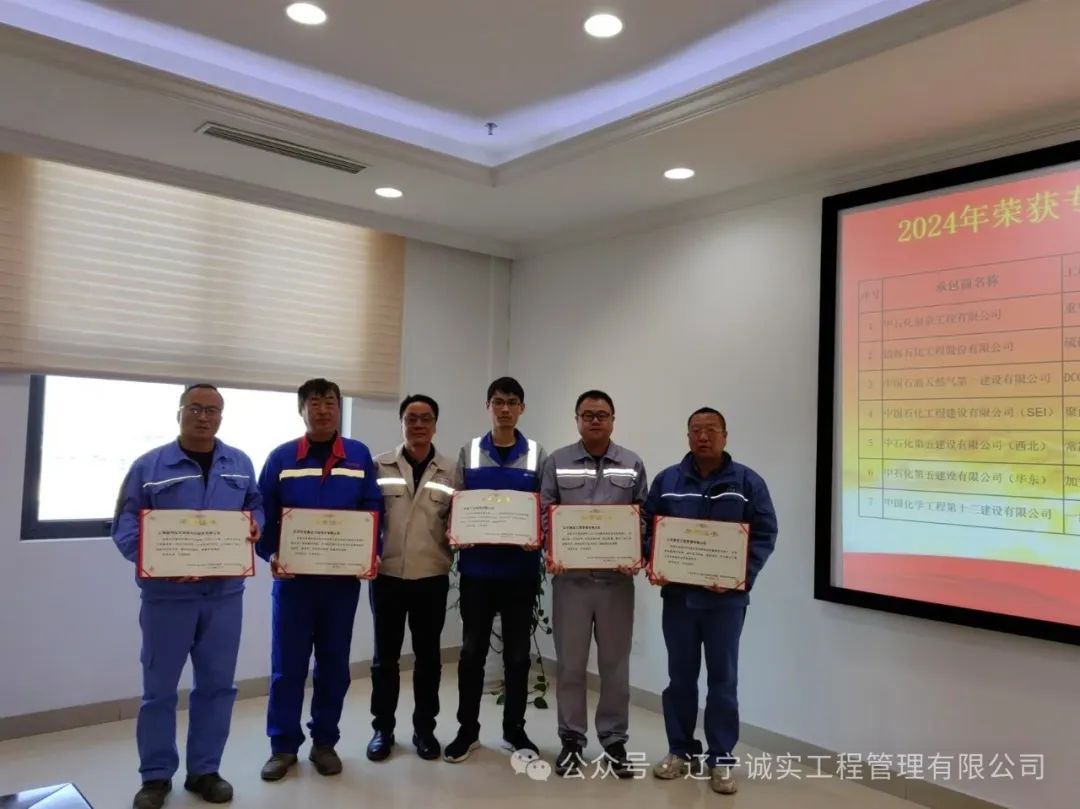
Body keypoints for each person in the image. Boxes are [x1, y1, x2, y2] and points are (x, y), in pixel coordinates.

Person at [112, 383, 263, 809]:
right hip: (167, 597)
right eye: (195, 408)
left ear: (221, 417)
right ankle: (156, 776)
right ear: (179, 412)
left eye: (212, 410)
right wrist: (156, 560)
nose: (203, 416)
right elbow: (125, 523)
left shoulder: (240, 463)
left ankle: (205, 771)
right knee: (159, 690)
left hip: (224, 594)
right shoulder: (149, 465)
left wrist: (256, 523)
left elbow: (256, 505)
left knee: (217, 686)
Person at [644, 407, 778, 795]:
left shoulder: (747, 482)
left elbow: (766, 532)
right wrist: (655, 560)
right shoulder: (668, 480)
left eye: (711, 430)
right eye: (696, 430)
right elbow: (648, 526)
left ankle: (721, 758)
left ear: (725, 436)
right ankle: (680, 751)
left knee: (723, 682)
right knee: (680, 680)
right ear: (688, 436)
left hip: (725, 604)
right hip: (679, 600)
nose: (703, 436)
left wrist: (740, 574)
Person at [255, 378, 383, 782]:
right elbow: (262, 513)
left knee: (333, 666)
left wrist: (372, 552)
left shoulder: (358, 455)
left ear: (339, 409)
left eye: (330, 402)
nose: (323, 410)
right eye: (315, 403)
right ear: (301, 410)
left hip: (340, 584)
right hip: (294, 583)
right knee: (287, 667)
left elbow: (373, 508)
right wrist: (271, 554)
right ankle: (282, 747)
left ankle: (324, 742)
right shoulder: (281, 457)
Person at [540, 390, 647, 779]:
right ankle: (571, 739)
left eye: (602, 414)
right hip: (571, 582)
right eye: (588, 415)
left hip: (616, 583)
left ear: (613, 420)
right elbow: (545, 513)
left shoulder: (632, 463)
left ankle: (614, 740)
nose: (595, 420)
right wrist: (555, 547)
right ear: (577, 420)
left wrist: (635, 549)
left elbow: (644, 516)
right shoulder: (558, 462)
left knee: (615, 666)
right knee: (570, 665)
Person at [443, 377, 547, 763]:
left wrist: (537, 535)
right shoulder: (469, 452)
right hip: (478, 573)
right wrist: (458, 531)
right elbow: (456, 502)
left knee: (518, 657)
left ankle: (513, 730)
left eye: (512, 402)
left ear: (522, 408)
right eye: (498, 402)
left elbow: (544, 508)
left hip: (520, 573)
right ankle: (467, 730)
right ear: (487, 405)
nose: (505, 409)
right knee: (471, 653)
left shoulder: (537, 454)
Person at [367, 394, 457, 762]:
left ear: (435, 424)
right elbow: (366, 518)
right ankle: (382, 729)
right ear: (402, 422)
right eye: (411, 418)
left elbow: (459, 521)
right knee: (384, 659)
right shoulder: (379, 466)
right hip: (387, 576)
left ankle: (425, 730)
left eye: (426, 418)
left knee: (429, 659)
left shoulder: (451, 471)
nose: (418, 425)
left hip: (431, 576)